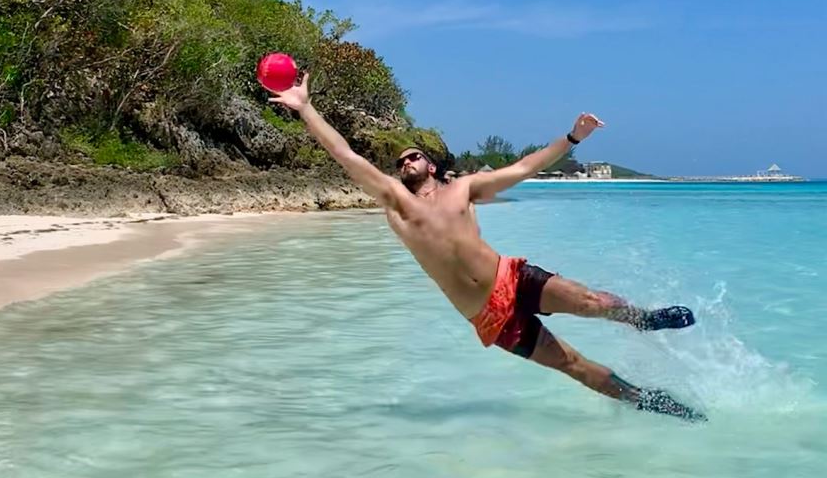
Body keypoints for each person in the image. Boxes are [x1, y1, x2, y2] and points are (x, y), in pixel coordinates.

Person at [269, 73, 705, 423]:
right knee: (572, 363)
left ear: (432, 164)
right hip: (489, 316)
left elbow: (523, 167)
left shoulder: (464, 190)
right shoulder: (397, 204)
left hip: (510, 278)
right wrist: (306, 108)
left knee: (593, 301)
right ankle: (647, 400)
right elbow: (346, 156)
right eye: (400, 161)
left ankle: (643, 319)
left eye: (413, 156)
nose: (406, 163)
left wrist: (572, 139)